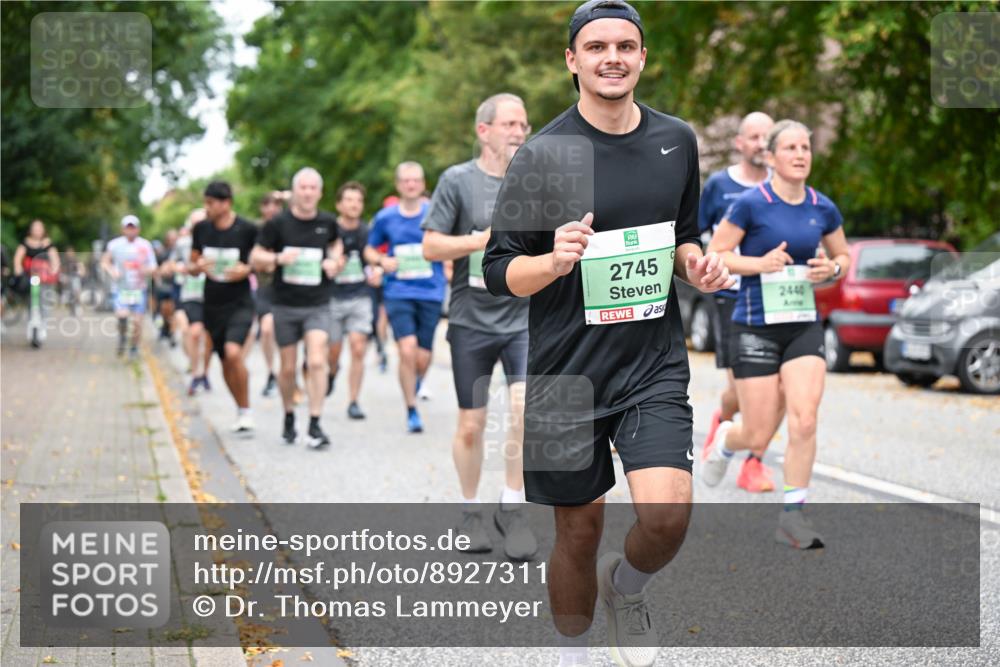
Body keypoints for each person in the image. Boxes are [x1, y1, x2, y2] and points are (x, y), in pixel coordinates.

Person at [482, 3, 734, 665]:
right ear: (572, 60)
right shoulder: (543, 155)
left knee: (667, 516)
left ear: (643, 57)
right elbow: (498, 271)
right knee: (578, 531)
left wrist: (695, 264)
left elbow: (683, 236)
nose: (612, 57)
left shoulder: (676, 140)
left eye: (625, 45)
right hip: (565, 374)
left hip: (652, 363)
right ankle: (573, 655)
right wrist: (553, 260)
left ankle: (627, 587)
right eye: (596, 47)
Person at [703, 119, 850, 550]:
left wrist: (831, 269)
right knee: (757, 434)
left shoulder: (822, 206)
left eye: (806, 147)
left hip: (803, 325)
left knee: (805, 419)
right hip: (755, 326)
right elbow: (717, 253)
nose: (801, 154)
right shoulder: (751, 204)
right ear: (771, 156)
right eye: (791, 148)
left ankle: (793, 516)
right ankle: (726, 441)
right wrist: (759, 264)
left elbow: (842, 255)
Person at [422, 93, 536, 560]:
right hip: (471, 320)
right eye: (510, 124)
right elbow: (430, 247)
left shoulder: (536, 182)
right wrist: (480, 241)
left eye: (524, 125)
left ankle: (512, 507)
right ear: (483, 130)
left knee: (525, 409)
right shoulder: (457, 181)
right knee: (472, 424)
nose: (519, 132)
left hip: (522, 318)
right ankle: (470, 511)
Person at [698, 111, 778, 493]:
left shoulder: (783, 185)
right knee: (744, 388)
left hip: (775, 297)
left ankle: (754, 463)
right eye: (755, 137)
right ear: (740, 143)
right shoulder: (719, 185)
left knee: (779, 389)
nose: (762, 144)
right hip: (732, 295)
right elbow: (695, 234)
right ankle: (725, 420)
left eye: (768, 137)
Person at [251, 167, 343, 449]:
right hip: (285, 304)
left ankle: (315, 423)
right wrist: (278, 258)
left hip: (318, 304)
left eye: (312, 188)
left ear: (320, 193)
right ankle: (289, 414)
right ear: (294, 192)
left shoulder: (328, 222)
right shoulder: (277, 224)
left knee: (316, 361)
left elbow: (337, 248)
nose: (307, 193)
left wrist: (334, 262)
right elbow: (256, 256)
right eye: (303, 187)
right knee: (288, 369)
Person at [365, 162, 446, 434]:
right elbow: (369, 249)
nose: (411, 185)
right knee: (407, 349)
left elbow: (449, 244)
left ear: (422, 184)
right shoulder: (385, 217)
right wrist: (381, 261)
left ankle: (417, 379)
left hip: (431, 291)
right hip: (398, 292)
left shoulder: (436, 213)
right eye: (406, 180)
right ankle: (411, 408)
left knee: (423, 356)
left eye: (415, 180)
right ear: (398, 185)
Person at [189, 181, 259, 437]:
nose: (206, 207)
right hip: (212, 304)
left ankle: (247, 410)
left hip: (240, 302)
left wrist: (247, 270)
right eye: (205, 202)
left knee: (233, 352)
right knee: (225, 363)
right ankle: (240, 409)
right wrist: (197, 267)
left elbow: (259, 262)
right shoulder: (201, 229)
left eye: (211, 203)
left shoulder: (248, 229)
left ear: (226, 203)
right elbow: (192, 264)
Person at [327, 181, 374, 419]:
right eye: (349, 200)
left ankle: (353, 401)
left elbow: (371, 260)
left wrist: (376, 270)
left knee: (358, 347)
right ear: (339, 204)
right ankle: (331, 372)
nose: (354, 205)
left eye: (358, 200)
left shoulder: (367, 231)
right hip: (331, 298)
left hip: (359, 295)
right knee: (333, 351)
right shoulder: (328, 230)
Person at [101, 215, 158, 359]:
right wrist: (112, 271)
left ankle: (134, 348)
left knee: (137, 321)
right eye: (128, 227)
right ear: (123, 229)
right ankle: (122, 337)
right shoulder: (114, 244)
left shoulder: (145, 245)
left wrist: (145, 270)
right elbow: (105, 262)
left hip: (139, 288)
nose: (130, 230)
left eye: (133, 228)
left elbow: (153, 266)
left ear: (138, 229)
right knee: (122, 315)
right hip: (121, 288)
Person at [171, 211, 213, 395]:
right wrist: (179, 268)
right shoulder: (183, 243)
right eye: (195, 224)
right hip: (191, 294)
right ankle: (195, 373)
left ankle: (205, 373)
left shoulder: (217, 240)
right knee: (194, 333)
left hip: (214, 295)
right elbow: (171, 263)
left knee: (209, 339)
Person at [253, 191, 284, 397]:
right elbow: (253, 260)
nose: (271, 208)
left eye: (276, 204)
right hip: (265, 287)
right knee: (266, 330)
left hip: (288, 288)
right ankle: (271, 372)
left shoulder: (289, 226)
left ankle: (287, 374)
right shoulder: (256, 230)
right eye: (267, 204)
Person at [13, 219, 60, 346]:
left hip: (44, 278)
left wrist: (54, 270)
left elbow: (55, 259)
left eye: (39, 229)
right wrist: (18, 270)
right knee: (31, 302)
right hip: (30, 277)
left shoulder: (48, 244)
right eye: (35, 228)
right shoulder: (25, 243)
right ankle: (31, 326)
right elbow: (18, 258)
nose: (37, 231)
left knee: (44, 302)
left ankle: (43, 326)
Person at [153, 229, 178, 346]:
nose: (173, 241)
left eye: (174, 239)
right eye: (171, 239)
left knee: (173, 310)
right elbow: (156, 269)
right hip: (164, 286)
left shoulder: (180, 252)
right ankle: (163, 329)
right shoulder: (162, 253)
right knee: (164, 310)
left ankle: (172, 333)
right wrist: (159, 278)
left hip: (176, 285)